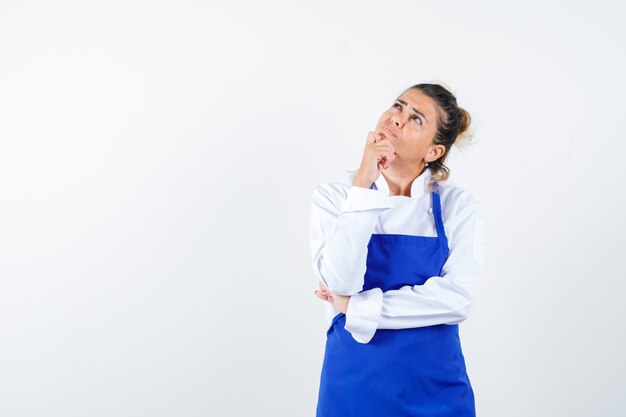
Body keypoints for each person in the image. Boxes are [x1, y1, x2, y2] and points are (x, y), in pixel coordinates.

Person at [309, 83, 484, 417]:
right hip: (352, 391)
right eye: (398, 106)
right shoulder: (333, 199)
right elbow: (339, 283)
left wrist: (358, 309)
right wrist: (363, 184)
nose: (397, 118)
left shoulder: (456, 207)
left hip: (436, 393)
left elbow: (459, 299)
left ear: (433, 152)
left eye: (416, 118)